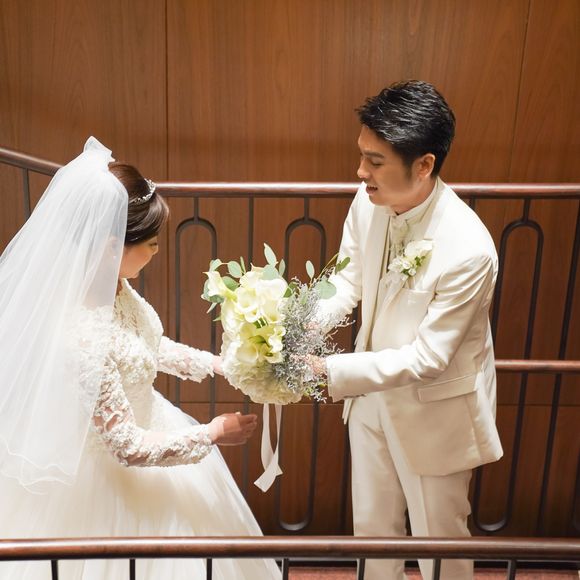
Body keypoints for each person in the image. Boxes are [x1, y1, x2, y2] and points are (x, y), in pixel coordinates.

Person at [0, 137, 281, 579]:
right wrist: (212, 433)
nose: (156, 251)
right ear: (112, 246)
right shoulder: (81, 337)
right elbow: (128, 447)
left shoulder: (111, 286)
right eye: (150, 243)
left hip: (154, 419)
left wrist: (218, 365)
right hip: (109, 479)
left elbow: (146, 344)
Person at [312, 80, 503, 580]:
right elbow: (347, 280)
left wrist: (329, 370)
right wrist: (298, 328)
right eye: (362, 155)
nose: (361, 172)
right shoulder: (367, 201)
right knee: (373, 533)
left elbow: (428, 358)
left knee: (441, 541)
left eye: (375, 161)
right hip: (370, 399)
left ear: (424, 165)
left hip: (435, 409)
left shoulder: (469, 249)